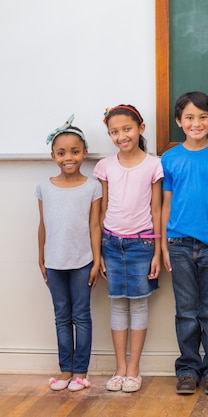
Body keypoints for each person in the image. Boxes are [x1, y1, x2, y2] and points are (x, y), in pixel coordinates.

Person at [161, 91, 208, 395]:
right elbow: (165, 203)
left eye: (203, 116)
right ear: (179, 122)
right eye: (189, 117)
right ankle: (188, 368)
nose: (197, 122)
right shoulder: (170, 157)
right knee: (186, 310)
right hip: (178, 243)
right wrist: (163, 246)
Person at [94, 105, 163, 393]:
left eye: (127, 129)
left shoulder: (153, 165)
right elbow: (101, 210)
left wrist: (158, 252)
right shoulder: (105, 166)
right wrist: (98, 252)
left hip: (142, 243)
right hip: (111, 243)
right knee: (117, 304)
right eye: (114, 131)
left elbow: (157, 209)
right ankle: (119, 368)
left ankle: (134, 368)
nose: (121, 135)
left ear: (140, 128)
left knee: (138, 304)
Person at [37, 115, 102, 392]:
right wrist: (40, 258)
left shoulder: (92, 186)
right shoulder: (44, 187)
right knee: (61, 316)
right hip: (54, 262)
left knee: (82, 316)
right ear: (53, 155)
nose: (69, 157)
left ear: (84, 153)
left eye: (75, 152)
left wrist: (97, 260)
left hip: (82, 262)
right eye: (62, 152)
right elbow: (43, 225)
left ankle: (80, 371)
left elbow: (95, 226)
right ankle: (65, 369)